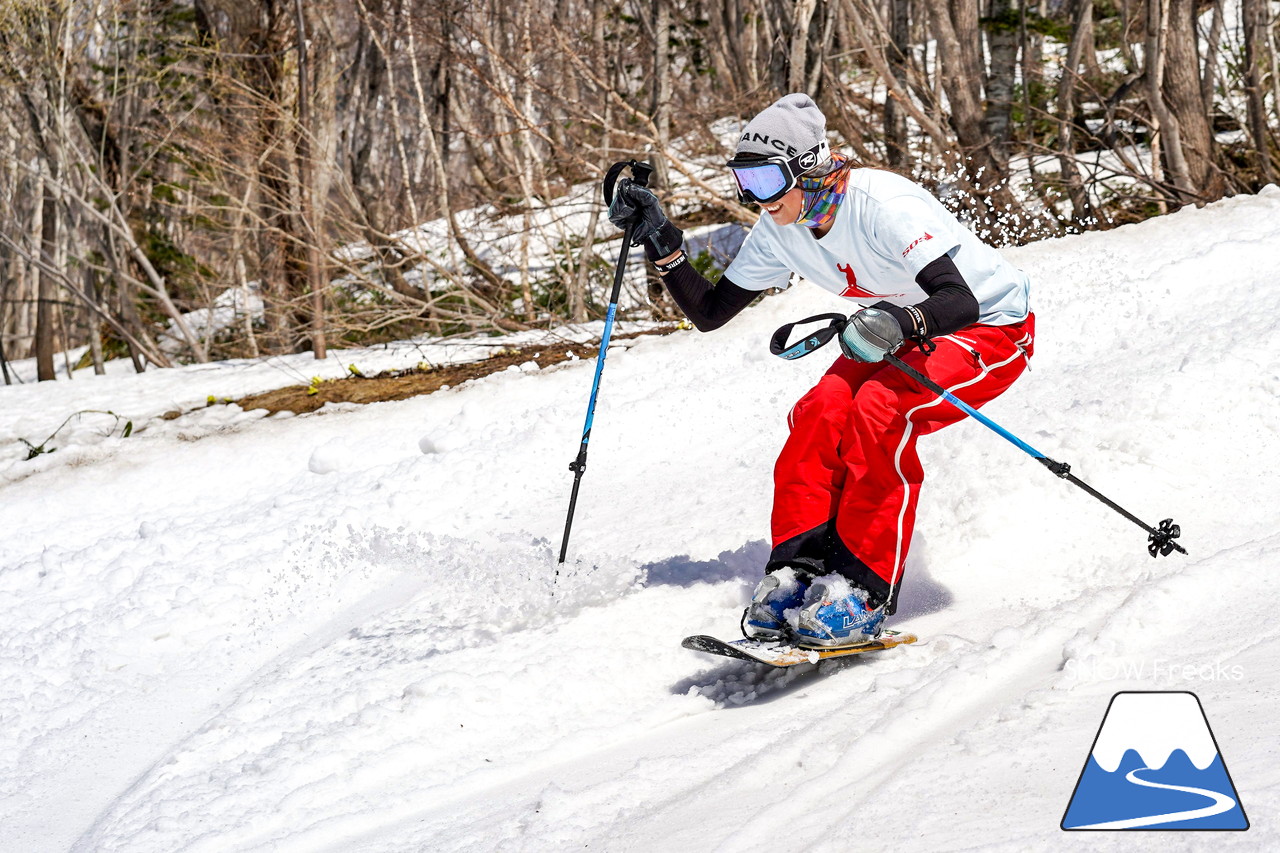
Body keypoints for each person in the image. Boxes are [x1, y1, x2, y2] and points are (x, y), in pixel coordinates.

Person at [608, 93, 1034, 648]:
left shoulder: (881, 204)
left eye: (764, 182)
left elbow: (960, 300)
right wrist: (663, 244)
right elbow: (711, 313)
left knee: (880, 410)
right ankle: (798, 571)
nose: (753, 200)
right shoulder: (781, 227)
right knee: (820, 411)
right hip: (900, 330)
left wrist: (899, 321)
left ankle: (864, 590)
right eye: (743, 183)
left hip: (988, 328)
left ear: (808, 167)